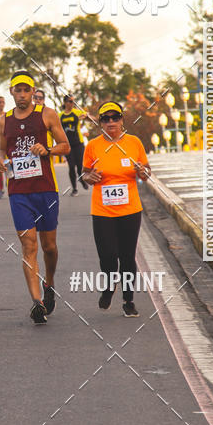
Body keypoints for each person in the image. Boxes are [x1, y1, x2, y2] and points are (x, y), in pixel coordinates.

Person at [0, 71, 70, 324]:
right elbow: (3, 150)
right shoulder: (4, 121)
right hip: (19, 192)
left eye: (26, 90)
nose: (22, 94)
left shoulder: (47, 114)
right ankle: (37, 302)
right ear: (12, 92)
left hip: (46, 189)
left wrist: (47, 149)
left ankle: (48, 284)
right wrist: (1, 162)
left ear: (32, 91)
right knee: (29, 246)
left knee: (49, 246)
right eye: (18, 90)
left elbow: (66, 145)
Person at [82, 101, 151, 317]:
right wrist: (89, 177)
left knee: (127, 257)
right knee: (108, 256)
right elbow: (84, 174)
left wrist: (142, 172)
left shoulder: (134, 143)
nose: (111, 122)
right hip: (103, 211)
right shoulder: (93, 146)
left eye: (115, 117)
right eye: (106, 118)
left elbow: (147, 172)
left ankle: (128, 300)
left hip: (130, 209)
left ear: (122, 120)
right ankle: (110, 286)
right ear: (100, 123)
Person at [60, 95, 88, 195]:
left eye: (73, 101)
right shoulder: (61, 115)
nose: (72, 103)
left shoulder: (76, 112)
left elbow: (86, 115)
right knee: (71, 166)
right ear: (65, 103)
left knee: (80, 166)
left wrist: (85, 115)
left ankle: (81, 179)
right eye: (69, 101)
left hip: (78, 143)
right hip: (68, 145)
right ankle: (74, 188)